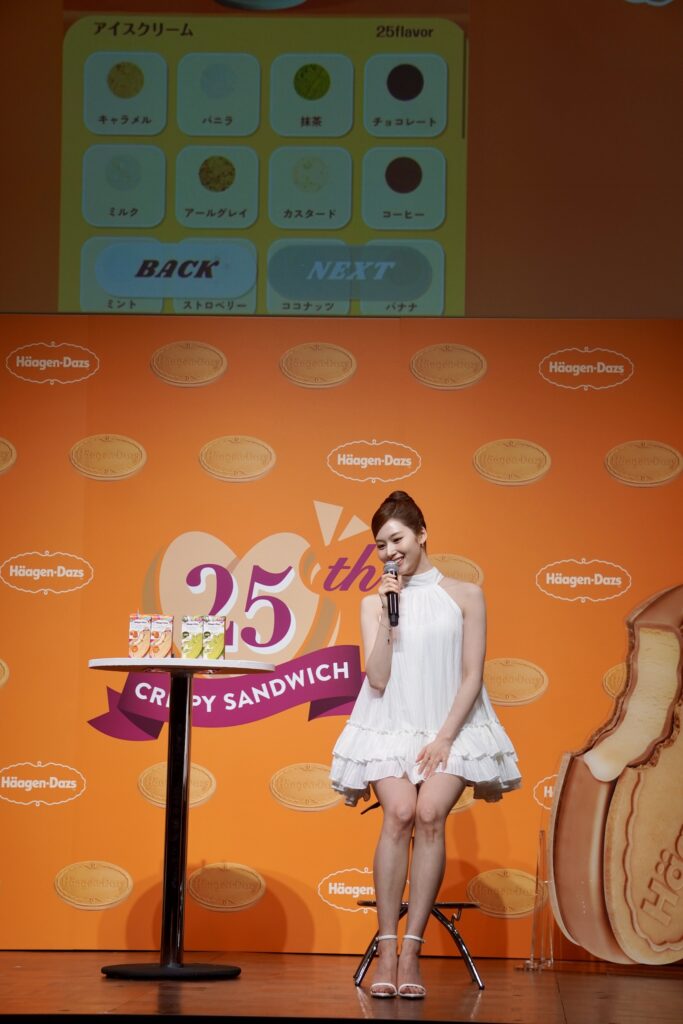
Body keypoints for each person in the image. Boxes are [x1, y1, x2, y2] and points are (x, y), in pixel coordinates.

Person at [330, 491, 521, 999]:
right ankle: (387, 949)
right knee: (399, 813)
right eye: (380, 545)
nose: (389, 552)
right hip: (389, 725)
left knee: (430, 813)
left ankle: (413, 950)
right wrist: (388, 618)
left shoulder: (466, 595)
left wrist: (444, 739)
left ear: (421, 535)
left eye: (397, 539)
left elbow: (472, 674)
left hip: (451, 726)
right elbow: (376, 678)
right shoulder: (373, 603)